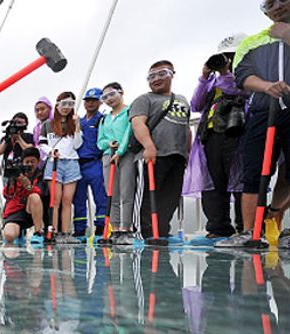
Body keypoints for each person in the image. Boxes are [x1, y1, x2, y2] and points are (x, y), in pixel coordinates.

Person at [220, 1, 290, 249]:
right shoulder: (255, 41)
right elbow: (243, 74)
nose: (278, 6)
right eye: (271, 3)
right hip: (263, 111)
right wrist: (266, 86)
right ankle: (249, 231)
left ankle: (282, 224)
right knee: (254, 171)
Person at [187, 35, 249, 245]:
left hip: (238, 131)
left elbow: (238, 89)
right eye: (224, 57)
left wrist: (225, 72)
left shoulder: (248, 72)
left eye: (232, 55)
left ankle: (245, 226)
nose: (228, 60)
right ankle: (218, 227)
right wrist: (205, 76)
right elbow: (196, 104)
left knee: (241, 180)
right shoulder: (213, 79)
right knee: (214, 182)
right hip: (211, 135)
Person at [130, 61, 192, 240]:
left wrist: (188, 152)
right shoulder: (145, 99)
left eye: (162, 74)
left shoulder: (182, 100)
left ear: (172, 74)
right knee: (148, 198)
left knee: (170, 198)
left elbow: (186, 128)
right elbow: (138, 123)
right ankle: (144, 233)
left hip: (177, 155)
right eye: (152, 76)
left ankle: (162, 232)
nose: (156, 79)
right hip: (152, 156)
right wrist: (149, 145)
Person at [40, 92, 84, 244]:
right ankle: (54, 231)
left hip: (71, 162)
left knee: (67, 200)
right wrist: (51, 152)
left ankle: (65, 233)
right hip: (54, 162)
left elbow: (78, 145)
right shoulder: (48, 124)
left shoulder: (75, 122)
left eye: (70, 104)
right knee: (55, 199)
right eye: (63, 104)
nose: (66, 108)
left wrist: (77, 125)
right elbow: (42, 143)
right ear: (57, 105)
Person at [97, 82, 136, 245]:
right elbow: (100, 142)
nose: (109, 99)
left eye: (112, 94)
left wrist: (120, 151)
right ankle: (114, 228)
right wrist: (110, 144)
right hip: (108, 156)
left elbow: (129, 132)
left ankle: (126, 229)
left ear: (121, 92)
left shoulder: (130, 112)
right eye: (104, 97)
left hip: (125, 155)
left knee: (127, 191)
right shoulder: (104, 119)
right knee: (111, 193)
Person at [73, 88, 107, 239]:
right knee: (78, 199)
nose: (90, 103)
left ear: (100, 101)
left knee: (100, 197)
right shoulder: (77, 121)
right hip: (78, 164)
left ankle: (101, 228)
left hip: (95, 163)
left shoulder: (103, 120)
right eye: (88, 101)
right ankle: (80, 230)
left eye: (94, 100)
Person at [2, 148, 47, 245]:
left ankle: (38, 232)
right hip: (16, 210)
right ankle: (19, 232)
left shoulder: (42, 174)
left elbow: (42, 193)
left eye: (33, 162)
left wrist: (28, 186)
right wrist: (12, 182)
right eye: (27, 162)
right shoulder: (17, 173)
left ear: (38, 162)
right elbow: (7, 195)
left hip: (33, 210)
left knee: (34, 196)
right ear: (22, 162)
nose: (30, 165)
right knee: (9, 236)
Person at [32, 97, 54, 163]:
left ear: (49, 109)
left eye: (42, 109)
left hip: (52, 156)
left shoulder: (54, 123)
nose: (40, 112)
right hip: (39, 159)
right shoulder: (36, 128)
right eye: (37, 110)